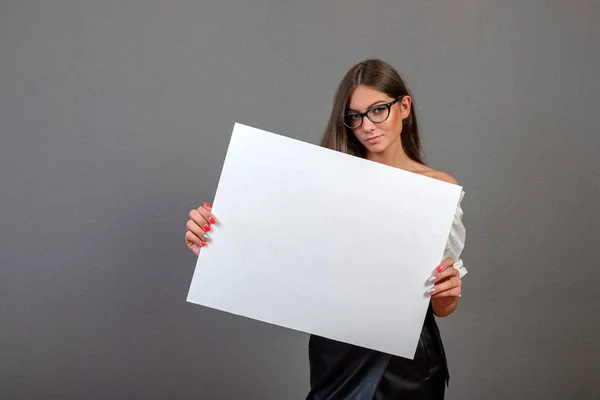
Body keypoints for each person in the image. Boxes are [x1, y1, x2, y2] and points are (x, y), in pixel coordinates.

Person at [184, 59, 467, 399]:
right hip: (338, 352)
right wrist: (214, 242)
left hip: (410, 359)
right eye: (355, 116)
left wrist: (447, 294)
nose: (367, 126)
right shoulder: (323, 183)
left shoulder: (438, 189)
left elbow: (441, 305)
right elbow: (277, 257)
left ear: (404, 107)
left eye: (378, 110)